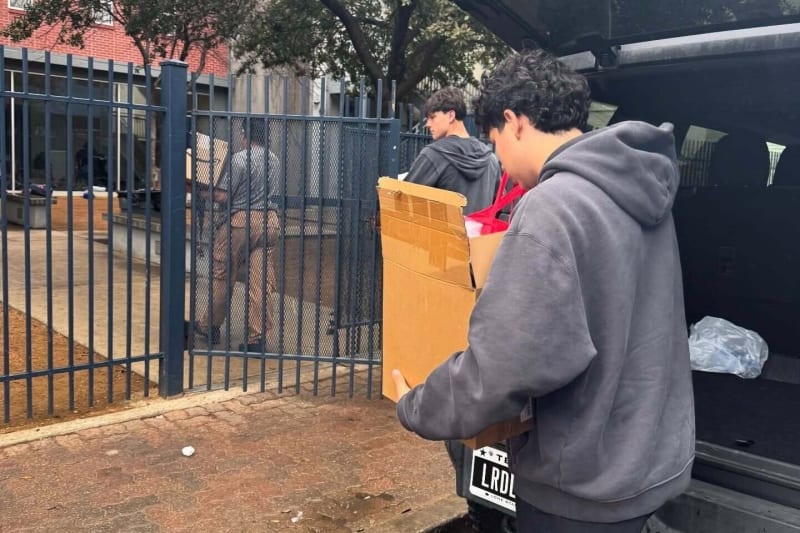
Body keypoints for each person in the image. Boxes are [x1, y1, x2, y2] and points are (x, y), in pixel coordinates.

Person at [392, 49, 695, 532]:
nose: (500, 162)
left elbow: (503, 366)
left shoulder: (552, 207)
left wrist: (415, 405)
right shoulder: (640, 187)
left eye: (494, 141)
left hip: (579, 488)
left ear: (513, 122)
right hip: (645, 464)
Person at [194, 119, 280, 353]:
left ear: (244, 134)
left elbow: (223, 196)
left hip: (240, 223)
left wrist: (200, 190)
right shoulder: (274, 160)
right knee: (261, 282)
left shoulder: (240, 159)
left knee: (222, 275)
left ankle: (209, 326)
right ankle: (257, 338)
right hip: (269, 223)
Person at [405, 87, 501, 215]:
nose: (427, 124)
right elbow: (499, 206)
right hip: (480, 234)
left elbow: (404, 201)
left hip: (440, 234)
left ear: (451, 115)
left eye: (432, 117)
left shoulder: (433, 155)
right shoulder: (491, 159)